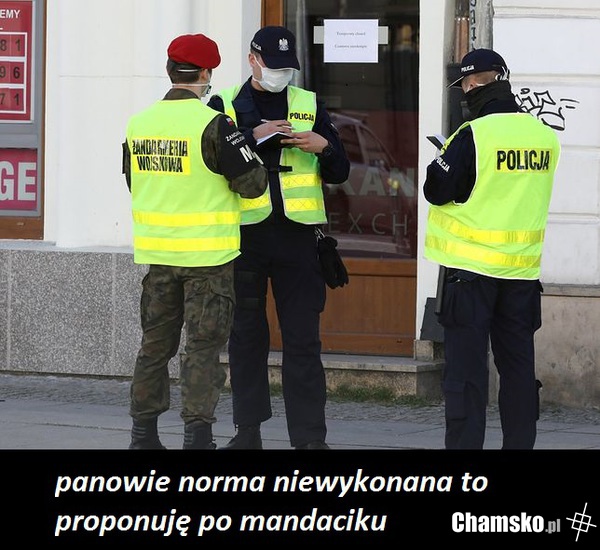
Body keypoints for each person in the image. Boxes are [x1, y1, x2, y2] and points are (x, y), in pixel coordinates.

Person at [207, 26, 350, 450]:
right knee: (246, 339)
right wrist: (252, 137)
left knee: (303, 340)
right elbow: (211, 166)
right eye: (273, 65)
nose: (281, 74)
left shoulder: (308, 103)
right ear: (253, 60)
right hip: (246, 238)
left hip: (298, 238)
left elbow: (340, 171)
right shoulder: (224, 105)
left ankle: (310, 439)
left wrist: (324, 146)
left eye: (287, 67)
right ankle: (247, 432)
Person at [122, 33, 268, 450]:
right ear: (205, 74)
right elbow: (253, 185)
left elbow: (133, 180)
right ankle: (197, 437)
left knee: (154, 347)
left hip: (158, 256)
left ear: (169, 70)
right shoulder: (214, 124)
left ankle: (143, 436)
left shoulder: (139, 123)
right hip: (208, 258)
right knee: (202, 349)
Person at [423, 49, 561, 449]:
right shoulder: (543, 135)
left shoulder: (472, 135)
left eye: (465, 87)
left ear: (470, 86)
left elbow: (437, 190)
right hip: (521, 275)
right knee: (518, 370)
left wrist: (444, 158)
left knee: (466, 375)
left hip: (471, 274)